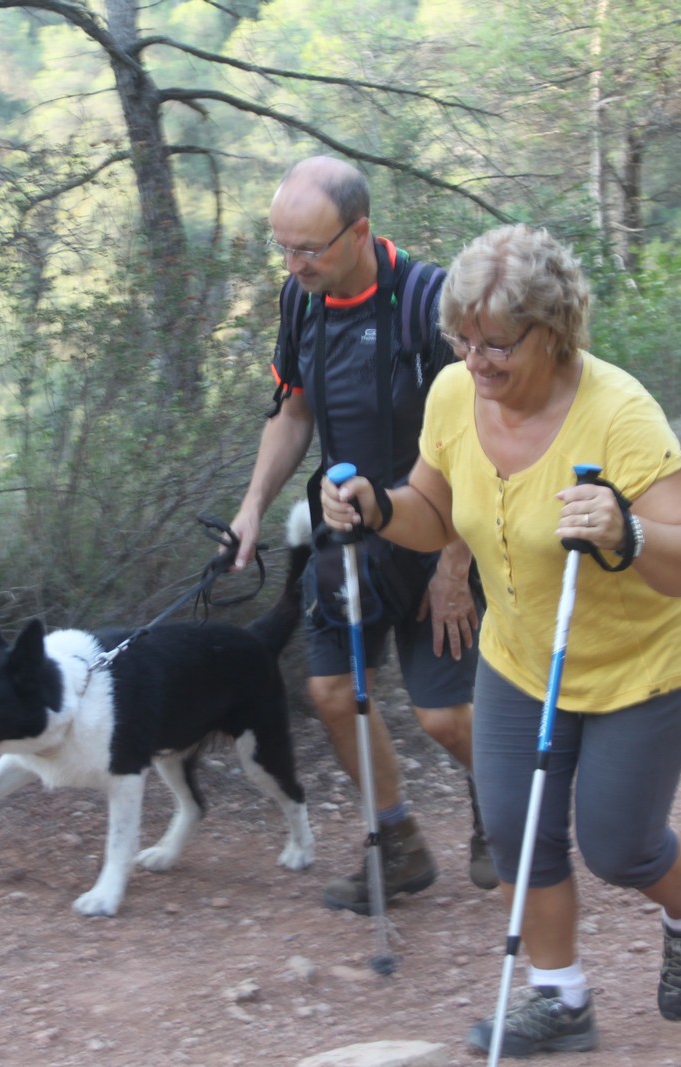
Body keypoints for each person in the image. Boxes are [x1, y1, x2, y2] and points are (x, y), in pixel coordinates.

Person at [320, 223, 681, 1055]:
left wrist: (627, 530)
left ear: (553, 331)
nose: (477, 361)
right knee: (515, 827)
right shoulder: (454, 396)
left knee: (619, 845)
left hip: (644, 669)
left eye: (497, 344)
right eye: (462, 341)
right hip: (521, 659)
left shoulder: (617, 413)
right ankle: (560, 997)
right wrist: (378, 507)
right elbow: (434, 514)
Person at [229, 156, 495, 912]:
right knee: (332, 690)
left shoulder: (430, 302)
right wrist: (252, 505)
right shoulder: (301, 300)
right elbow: (294, 410)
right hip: (346, 533)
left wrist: (454, 566)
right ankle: (398, 843)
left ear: (360, 231)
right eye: (283, 247)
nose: (293, 264)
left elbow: (485, 438)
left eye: (308, 249)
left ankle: (501, 811)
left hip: (434, 531)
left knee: (443, 715)